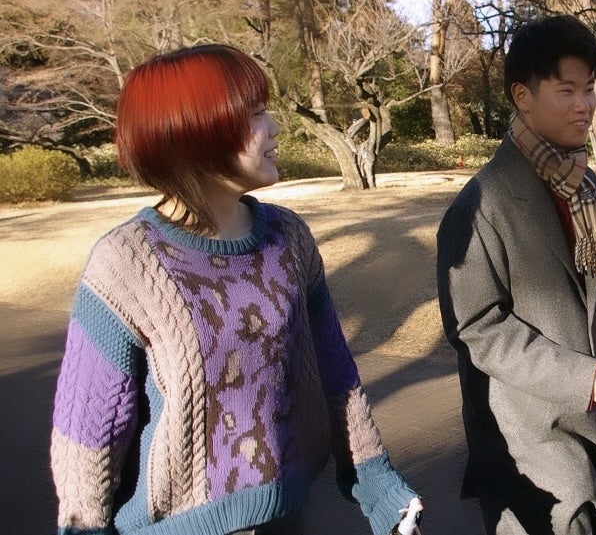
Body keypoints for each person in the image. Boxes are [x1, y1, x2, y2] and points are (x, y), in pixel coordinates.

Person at [50, 44, 422, 535]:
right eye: (255, 115)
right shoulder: (125, 262)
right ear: (196, 132)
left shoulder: (288, 238)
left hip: (284, 516)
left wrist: (376, 483)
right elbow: (89, 431)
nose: (275, 128)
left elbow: (334, 371)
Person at [436, 15, 596, 535]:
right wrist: (584, 378)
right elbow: (477, 328)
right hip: (523, 427)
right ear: (522, 96)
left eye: (590, 88)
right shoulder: (479, 205)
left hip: (584, 416)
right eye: (567, 90)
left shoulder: (585, 187)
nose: (585, 105)